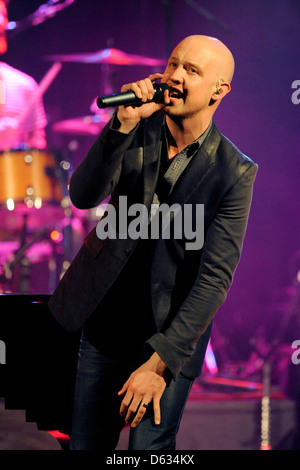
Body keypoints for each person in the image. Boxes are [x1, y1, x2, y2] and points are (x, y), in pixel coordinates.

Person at [48, 34, 258, 450]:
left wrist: (158, 365)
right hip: (106, 324)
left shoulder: (234, 171)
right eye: (173, 64)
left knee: (149, 452)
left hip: (169, 336)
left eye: (192, 70)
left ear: (220, 89)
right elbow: (83, 196)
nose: (175, 76)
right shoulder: (134, 129)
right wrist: (121, 125)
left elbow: (214, 278)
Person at [0, 0, 47, 151]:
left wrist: (26, 146)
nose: (2, 22)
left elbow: (38, 143)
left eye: (3, 15)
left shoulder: (24, 84)